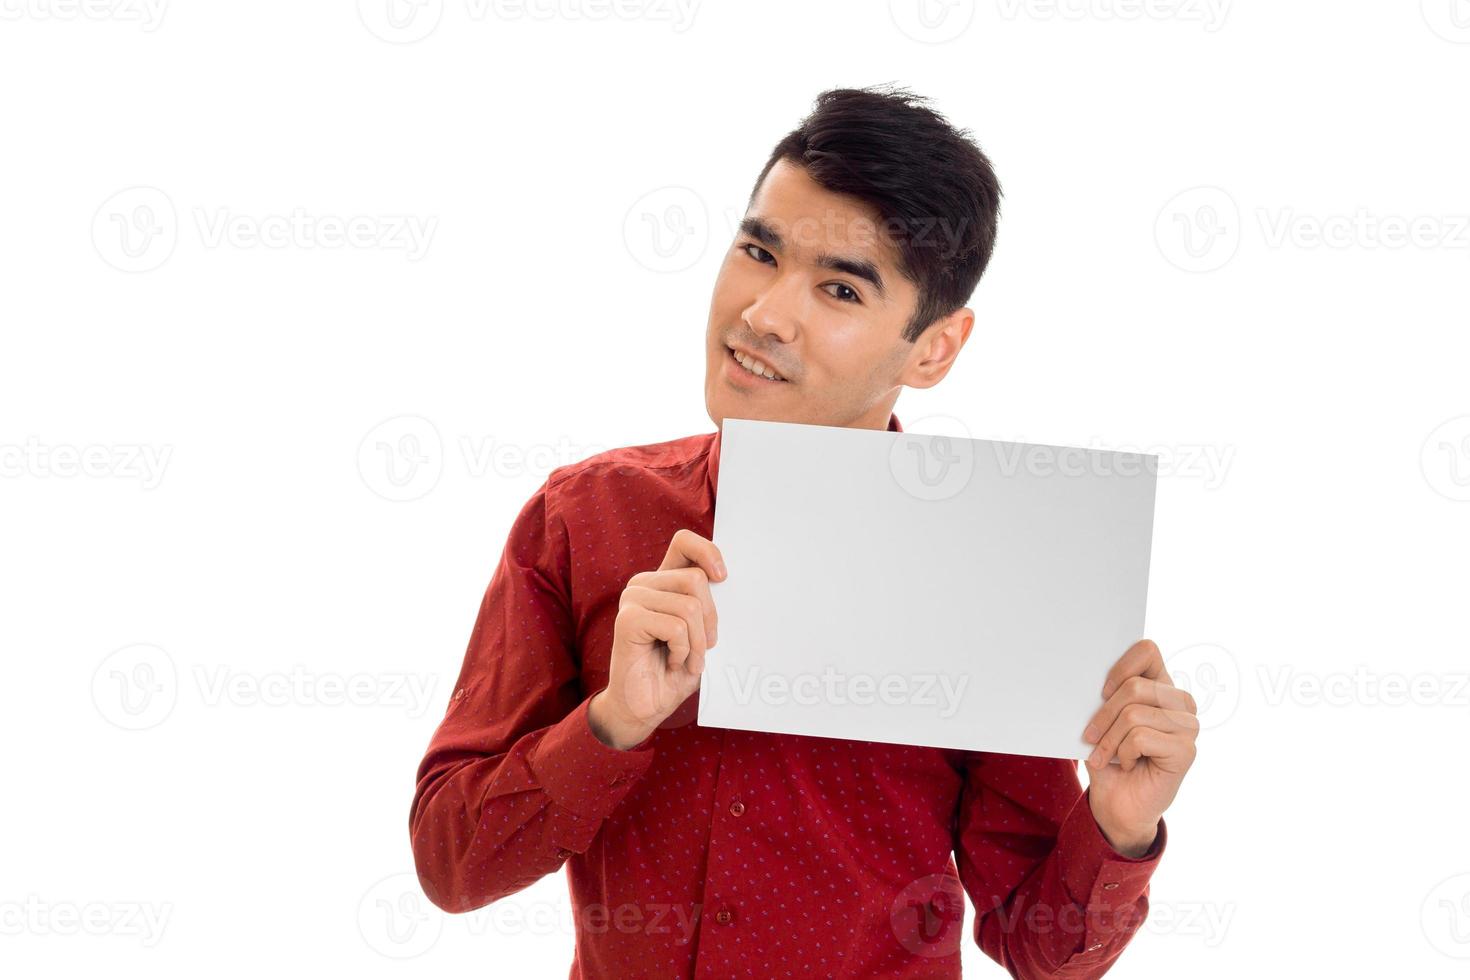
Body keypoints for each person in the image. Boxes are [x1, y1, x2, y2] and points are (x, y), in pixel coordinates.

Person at [409, 84, 1199, 978]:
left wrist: (1121, 826)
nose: (764, 315)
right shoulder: (582, 520)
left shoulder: (991, 568)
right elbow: (451, 864)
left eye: (838, 288)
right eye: (758, 251)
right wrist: (612, 725)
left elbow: (1038, 946)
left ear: (934, 348)